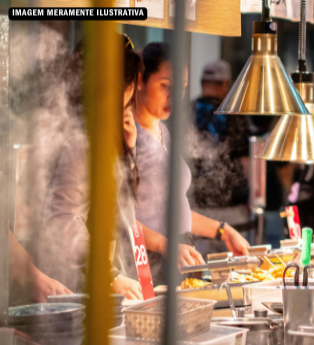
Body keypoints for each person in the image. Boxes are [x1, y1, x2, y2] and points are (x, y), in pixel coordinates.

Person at [34, 35, 145, 300]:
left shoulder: (101, 135)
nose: (134, 91)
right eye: (130, 82)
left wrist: (129, 151)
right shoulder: (81, 142)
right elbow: (64, 220)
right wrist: (109, 275)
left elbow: (123, 211)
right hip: (87, 290)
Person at [135, 42, 250, 286]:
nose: (174, 96)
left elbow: (175, 210)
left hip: (179, 255)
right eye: (165, 85)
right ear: (140, 80)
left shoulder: (162, 131)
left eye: (182, 86)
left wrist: (223, 230)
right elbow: (119, 220)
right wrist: (165, 244)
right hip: (149, 261)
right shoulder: (128, 136)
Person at [190, 60, 253, 255]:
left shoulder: (186, 112)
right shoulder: (233, 115)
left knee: (198, 272)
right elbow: (246, 162)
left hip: (196, 214)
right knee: (237, 269)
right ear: (225, 84)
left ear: (202, 83)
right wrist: (252, 198)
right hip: (232, 214)